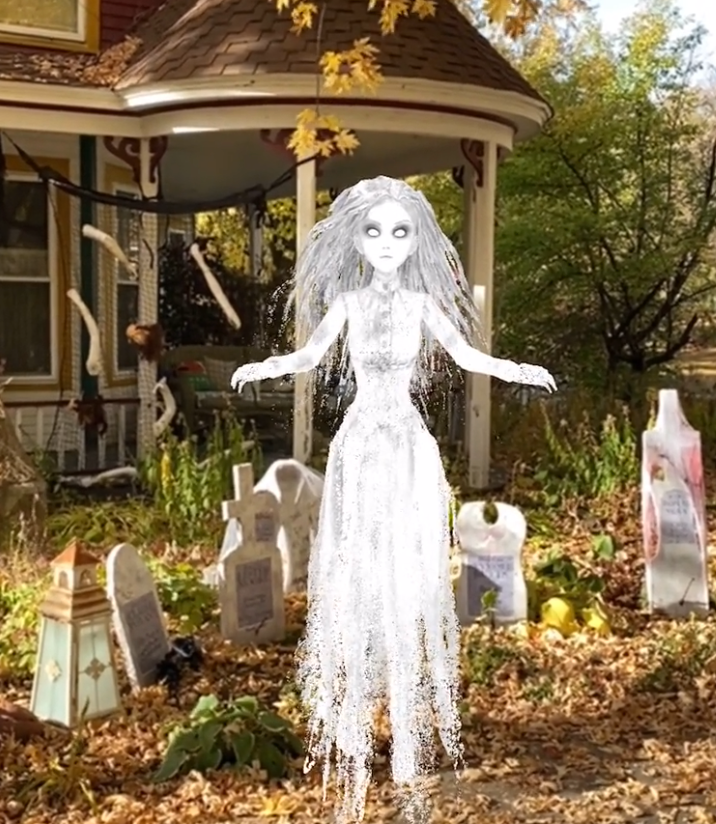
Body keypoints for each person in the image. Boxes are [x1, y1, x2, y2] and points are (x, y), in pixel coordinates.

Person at [230, 176, 556, 823]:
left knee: (408, 577)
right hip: (360, 447)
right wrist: (265, 367)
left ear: (415, 241)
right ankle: (352, 724)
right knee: (358, 571)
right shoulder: (348, 302)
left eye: (399, 232)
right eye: (374, 231)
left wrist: (516, 370)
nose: (386, 243)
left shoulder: (422, 304)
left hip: (406, 446)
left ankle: (408, 734)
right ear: (357, 238)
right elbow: (309, 355)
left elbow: (467, 356)